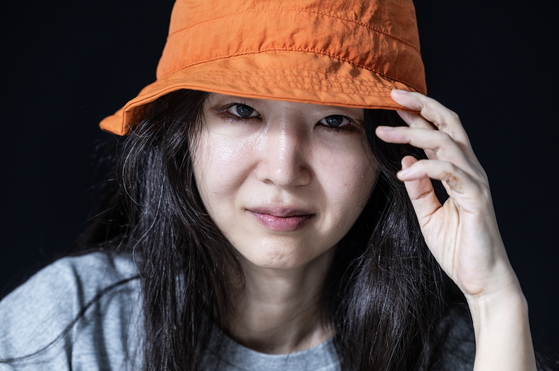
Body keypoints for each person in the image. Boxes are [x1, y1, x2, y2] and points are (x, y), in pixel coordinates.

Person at [0, 0, 556, 370]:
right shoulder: (72, 329)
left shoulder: (453, 352)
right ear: (183, 132)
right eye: (241, 111)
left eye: (335, 121)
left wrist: (495, 303)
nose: (284, 169)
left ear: (389, 152)